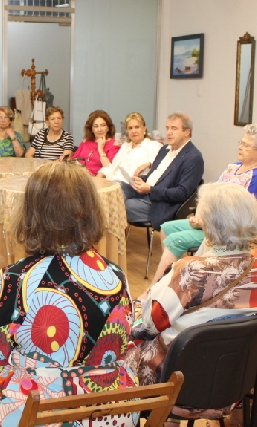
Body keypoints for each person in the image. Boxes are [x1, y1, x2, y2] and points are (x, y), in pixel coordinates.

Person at [0, 162, 137, 427]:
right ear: (91, 212)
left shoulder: (16, 278)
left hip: (40, 412)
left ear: (32, 214)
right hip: (108, 412)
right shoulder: (116, 275)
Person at [125, 182, 257, 420]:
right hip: (232, 385)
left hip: (173, 386)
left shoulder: (191, 272)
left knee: (121, 335)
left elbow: (151, 324)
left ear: (208, 223)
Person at [148, 124, 257, 284]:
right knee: (166, 227)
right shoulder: (233, 167)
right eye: (240, 142)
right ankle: (175, 278)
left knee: (175, 240)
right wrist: (200, 215)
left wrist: (206, 220)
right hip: (207, 220)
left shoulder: (255, 176)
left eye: (246, 145)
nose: (240, 147)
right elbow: (211, 194)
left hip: (225, 229)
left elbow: (241, 213)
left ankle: (156, 287)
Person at [121, 112, 205, 230]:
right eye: (167, 128)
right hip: (146, 192)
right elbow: (156, 176)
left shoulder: (193, 157)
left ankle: (111, 244)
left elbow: (181, 193)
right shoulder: (165, 149)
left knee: (121, 204)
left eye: (174, 129)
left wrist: (151, 189)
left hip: (160, 204)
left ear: (187, 132)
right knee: (117, 186)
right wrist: (141, 180)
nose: (169, 132)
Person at [96, 112, 162, 182]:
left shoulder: (153, 145)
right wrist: (100, 174)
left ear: (144, 129)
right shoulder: (125, 146)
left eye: (137, 127)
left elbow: (161, 165)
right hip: (113, 181)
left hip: (132, 185)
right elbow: (113, 168)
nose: (133, 131)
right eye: (130, 128)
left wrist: (148, 164)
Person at [72, 109, 121, 175]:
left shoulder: (114, 145)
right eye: (96, 126)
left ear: (108, 128)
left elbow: (110, 169)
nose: (99, 129)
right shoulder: (86, 141)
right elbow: (73, 161)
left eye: (103, 125)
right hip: (80, 176)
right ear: (92, 129)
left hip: (98, 180)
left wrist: (101, 150)